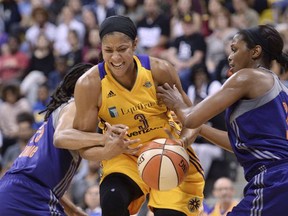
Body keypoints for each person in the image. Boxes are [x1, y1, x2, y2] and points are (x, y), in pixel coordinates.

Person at [73, 15, 205, 216]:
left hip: (167, 151)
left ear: (135, 44)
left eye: (122, 49)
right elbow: (83, 147)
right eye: (108, 50)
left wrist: (183, 142)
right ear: (101, 47)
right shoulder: (89, 84)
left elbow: (193, 119)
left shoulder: (159, 70)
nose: (115, 58)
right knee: (112, 199)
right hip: (124, 156)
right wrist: (107, 149)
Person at [157, 24, 288, 215]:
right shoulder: (281, 88)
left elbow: (190, 119)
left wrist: (177, 103)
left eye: (235, 49)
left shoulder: (247, 77)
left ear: (255, 51)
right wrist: (201, 129)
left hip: (274, 179)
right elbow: (238, 143)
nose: (229, 56)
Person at [0, 63, 140, 215]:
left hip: (18, 191)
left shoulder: (66, 113)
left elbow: (42, 178)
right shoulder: (75, 105)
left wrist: (72, 209)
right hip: (29, 196)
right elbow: (60, 138)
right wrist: (104, 138)